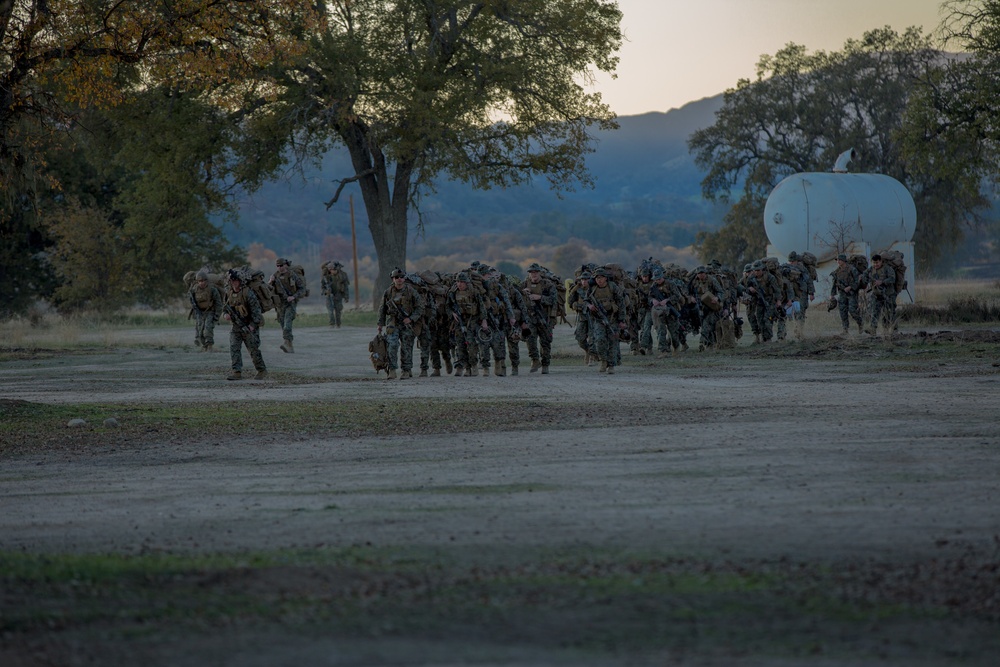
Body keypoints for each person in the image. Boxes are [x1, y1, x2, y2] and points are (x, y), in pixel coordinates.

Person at [377, 268, 425, 379]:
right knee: (392, 345)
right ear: (393, 279)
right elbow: (382, 309)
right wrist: (380, 324)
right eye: (396, 277)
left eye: (401, 277)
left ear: (404, 278)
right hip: (393, 323)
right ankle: (392, 370)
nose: (399, 279)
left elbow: (420, 307)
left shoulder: (410, 291)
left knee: (407, 347)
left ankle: (406, 370)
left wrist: (411, 318)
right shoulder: (388, 292)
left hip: (406, 323)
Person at [223, 269, 267, 381]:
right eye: (232, 280)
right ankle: (236, 372)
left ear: (241, 281)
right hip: (236, 326)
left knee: (253, 349)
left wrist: (252, 326)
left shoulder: (248, 293)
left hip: (249, 326)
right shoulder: (228, 293)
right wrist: (225, 315)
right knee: (234, 347)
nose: (234, 283)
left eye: (236, 280)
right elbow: (225, 308)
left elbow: (256, 312)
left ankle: (261, 370)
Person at [585, 267, 626, 373]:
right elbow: (586, 300)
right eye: (597, 278)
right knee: (599, 340)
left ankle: (611, 364)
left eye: (601, 277)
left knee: (612, 341)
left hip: (612, 318)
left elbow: (621, 304)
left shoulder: (613, 287)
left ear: (606, 278)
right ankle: (604, 361)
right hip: (598, 319)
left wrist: (621, 320)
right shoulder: (592, 288)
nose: (599, 280)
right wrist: (589, 306)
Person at [447, 272, 487, 376]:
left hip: (471, 320)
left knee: (471, 344)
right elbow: (448, 306)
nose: (459, 284)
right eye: (458, 282)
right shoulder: (453, 292)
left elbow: (481, 306)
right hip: (458, 322)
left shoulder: (473, 292)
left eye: (462, 282)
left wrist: (483, 320)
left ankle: (474, 365)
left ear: (466, 282)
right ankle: (466, 367)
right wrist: (452, 313)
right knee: (460, 345)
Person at [521, 262, 558, 374]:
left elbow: (553, 300)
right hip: (530, 317)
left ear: (540, 273)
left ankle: (545, 364)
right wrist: (523, 293)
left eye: (536, 272)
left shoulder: (548, 285)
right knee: (530, 340)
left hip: (545, 317)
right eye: (531, 272)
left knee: (545, 342)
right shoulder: (524, 284)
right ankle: (535, 360)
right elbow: (516, 298)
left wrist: (540, 297)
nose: (534, 274)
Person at [269, 257, 305, 353]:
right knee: (283, 325)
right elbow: (268, 289)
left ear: (285, 265)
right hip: (280, 305)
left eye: (281, 265)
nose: (279, 267)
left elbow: (302, 289)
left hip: (290, 303)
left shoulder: (292, 275)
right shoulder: (275, 276)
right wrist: (270, 281)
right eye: (277, 266)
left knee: (287, 325)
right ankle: (289, 345)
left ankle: (286, 343)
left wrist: (293, 296)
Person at [863, 254, 897, 335]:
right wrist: (864, 278)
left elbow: (892, 279)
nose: (875, 265)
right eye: (874, 263)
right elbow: (865, 274)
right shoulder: (871, 269)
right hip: (876, 294)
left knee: (889, 312)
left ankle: (893, 330)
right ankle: (873, 329)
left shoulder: (887, 268)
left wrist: (882, 282)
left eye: (877, 263)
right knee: (874, 311)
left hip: (888, 294)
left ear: (881, 261)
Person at [189, 270, 223, 352]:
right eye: (200, 281)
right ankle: (204, 346)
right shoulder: (194, 289)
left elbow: (218, 303)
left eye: (204, 281)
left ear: (207, 281)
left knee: (208, 329)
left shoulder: (212, 289)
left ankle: (210, 346)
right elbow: (191, 300)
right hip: (200, 312)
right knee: (200, 330)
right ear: (197, 282)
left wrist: (217, 316)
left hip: (210, 311)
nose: (202, 283)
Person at [830, 253, 862, 335]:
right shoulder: (837, 271)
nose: (838, 261)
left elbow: (857, 281)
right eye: (837, 260)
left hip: (852, 293)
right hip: (842, 293)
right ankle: (845, 330)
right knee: (843, 312)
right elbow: (834, 283)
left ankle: (860, 324)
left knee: (852, 311)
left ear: (844, 260)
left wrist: (850, 287)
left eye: (839, 260)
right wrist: (832, 295)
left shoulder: (852, 269)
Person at [321, 261, 350, 327]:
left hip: (338, 295)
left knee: (338, 311)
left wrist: (346, 297)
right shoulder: (326, 277)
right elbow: (322, 287)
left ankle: (338, 324)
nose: (332, 271)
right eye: (330, 270)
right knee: (330, 311)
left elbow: (346, 287)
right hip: (329, 295)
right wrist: (326, 291)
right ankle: (332, 323)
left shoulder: (342, 276)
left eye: (333, 270)